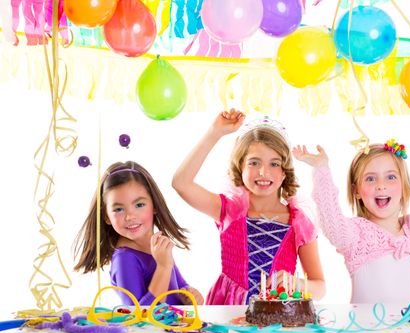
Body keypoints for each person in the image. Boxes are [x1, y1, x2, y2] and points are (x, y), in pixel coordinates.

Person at [172, 108, 325, 305]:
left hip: (277, 316)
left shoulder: (298, 222)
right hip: (228, 311)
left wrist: (295, 283)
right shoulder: (228, 210)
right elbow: (180, 183)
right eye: (254, 162)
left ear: (285, 171)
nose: (263, 172)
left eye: (274, 164)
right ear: (240, 167)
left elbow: (320, 287)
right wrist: (214, 133)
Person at [293, 140, 410, 304]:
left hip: (404, 331)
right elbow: (331, 220)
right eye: (370, 178)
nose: (381, 185)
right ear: (357, 191)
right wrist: (322, 169)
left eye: (391, 177)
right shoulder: (357, 233)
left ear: (404, 187)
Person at [74, 161, 203, 306]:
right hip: (152, 329)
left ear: (154, 205)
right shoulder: (124, 259)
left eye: (139, 205)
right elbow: (139, 314)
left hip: (174, 326)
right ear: (106, 216)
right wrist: (163, 267)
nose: (130, 216)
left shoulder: (158, 246)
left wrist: (189, 295)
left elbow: (179, 287)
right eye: (118, 209)